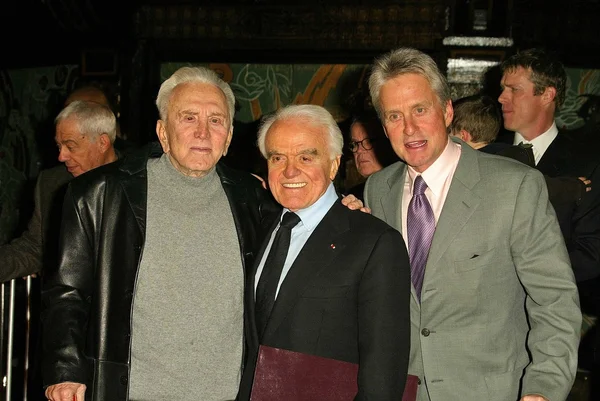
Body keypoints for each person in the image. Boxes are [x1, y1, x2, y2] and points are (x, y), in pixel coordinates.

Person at [41, 67, 363, 401]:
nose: (202, 133)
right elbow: (67, 292)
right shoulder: (97, 194)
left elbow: (306, 229)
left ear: (228, 137)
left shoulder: (252, 198)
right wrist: (65, 371)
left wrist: (343, 212)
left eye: (215, 121)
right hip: (131, 393)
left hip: (229, 395)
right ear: (162, 132)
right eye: (189, 118)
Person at [363, 47, 581, 401]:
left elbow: (554, 301)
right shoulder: (378, 189)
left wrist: (543, 388)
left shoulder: (514, 186)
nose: (410, 128)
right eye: (394, 116)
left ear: (447, 110)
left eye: (420, 109)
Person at [238, 104, 410, 400]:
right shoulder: (259, 227)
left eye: (306, 156)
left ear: (333, 164)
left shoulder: (376, 243)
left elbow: (384, 376)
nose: (290, 170)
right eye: (278, 157)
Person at [498, 48, 600, 284]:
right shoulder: (485, 154)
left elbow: (590, 255)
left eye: (514, 90)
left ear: (547, 95)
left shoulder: (587, 163)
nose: (502, 97)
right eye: (503, 88)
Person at [0, 100, 119, 282]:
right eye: (59, 146)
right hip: (67, 304)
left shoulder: (141, 180)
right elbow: (34, 248)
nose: (61, 156)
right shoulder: (52, 184)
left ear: (103, 143)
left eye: (70, 146)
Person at [450, 93, 591, 213]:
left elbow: (536, 187)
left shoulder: (493, 162)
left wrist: (572, 188)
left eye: (449, 134)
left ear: (463, 136)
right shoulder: (508, 156)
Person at [346, 112, 398, 200]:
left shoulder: (405, 189)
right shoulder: (353, 198)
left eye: (369, 142)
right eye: (355, 144)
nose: (359, 150)